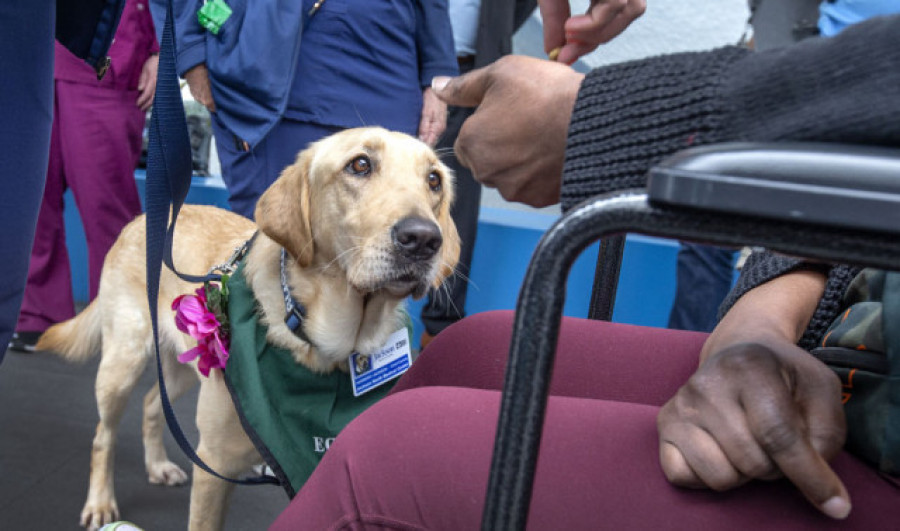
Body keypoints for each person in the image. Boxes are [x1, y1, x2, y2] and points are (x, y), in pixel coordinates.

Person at [268, 13, 900, 529]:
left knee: (382, 460)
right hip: (852, 343)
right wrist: (757, 328)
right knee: (474, 346)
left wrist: (604, 119)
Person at [163, 0, 458, 219]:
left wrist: (437, 76)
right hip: (266, 74)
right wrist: (191, 55)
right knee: (266, 248)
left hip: (387, 67)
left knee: (387, 250)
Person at [9, 0, 158, 353]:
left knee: (106, 204)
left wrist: (160, 50)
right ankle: (38, 315)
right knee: (32, 204)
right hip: (35, 52)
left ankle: (121, 319)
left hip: (109, 57)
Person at [419, 0, 537, 349]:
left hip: (468, 79)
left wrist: (493, 40)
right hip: (399, 71)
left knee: (456, 210)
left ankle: (438, 334)